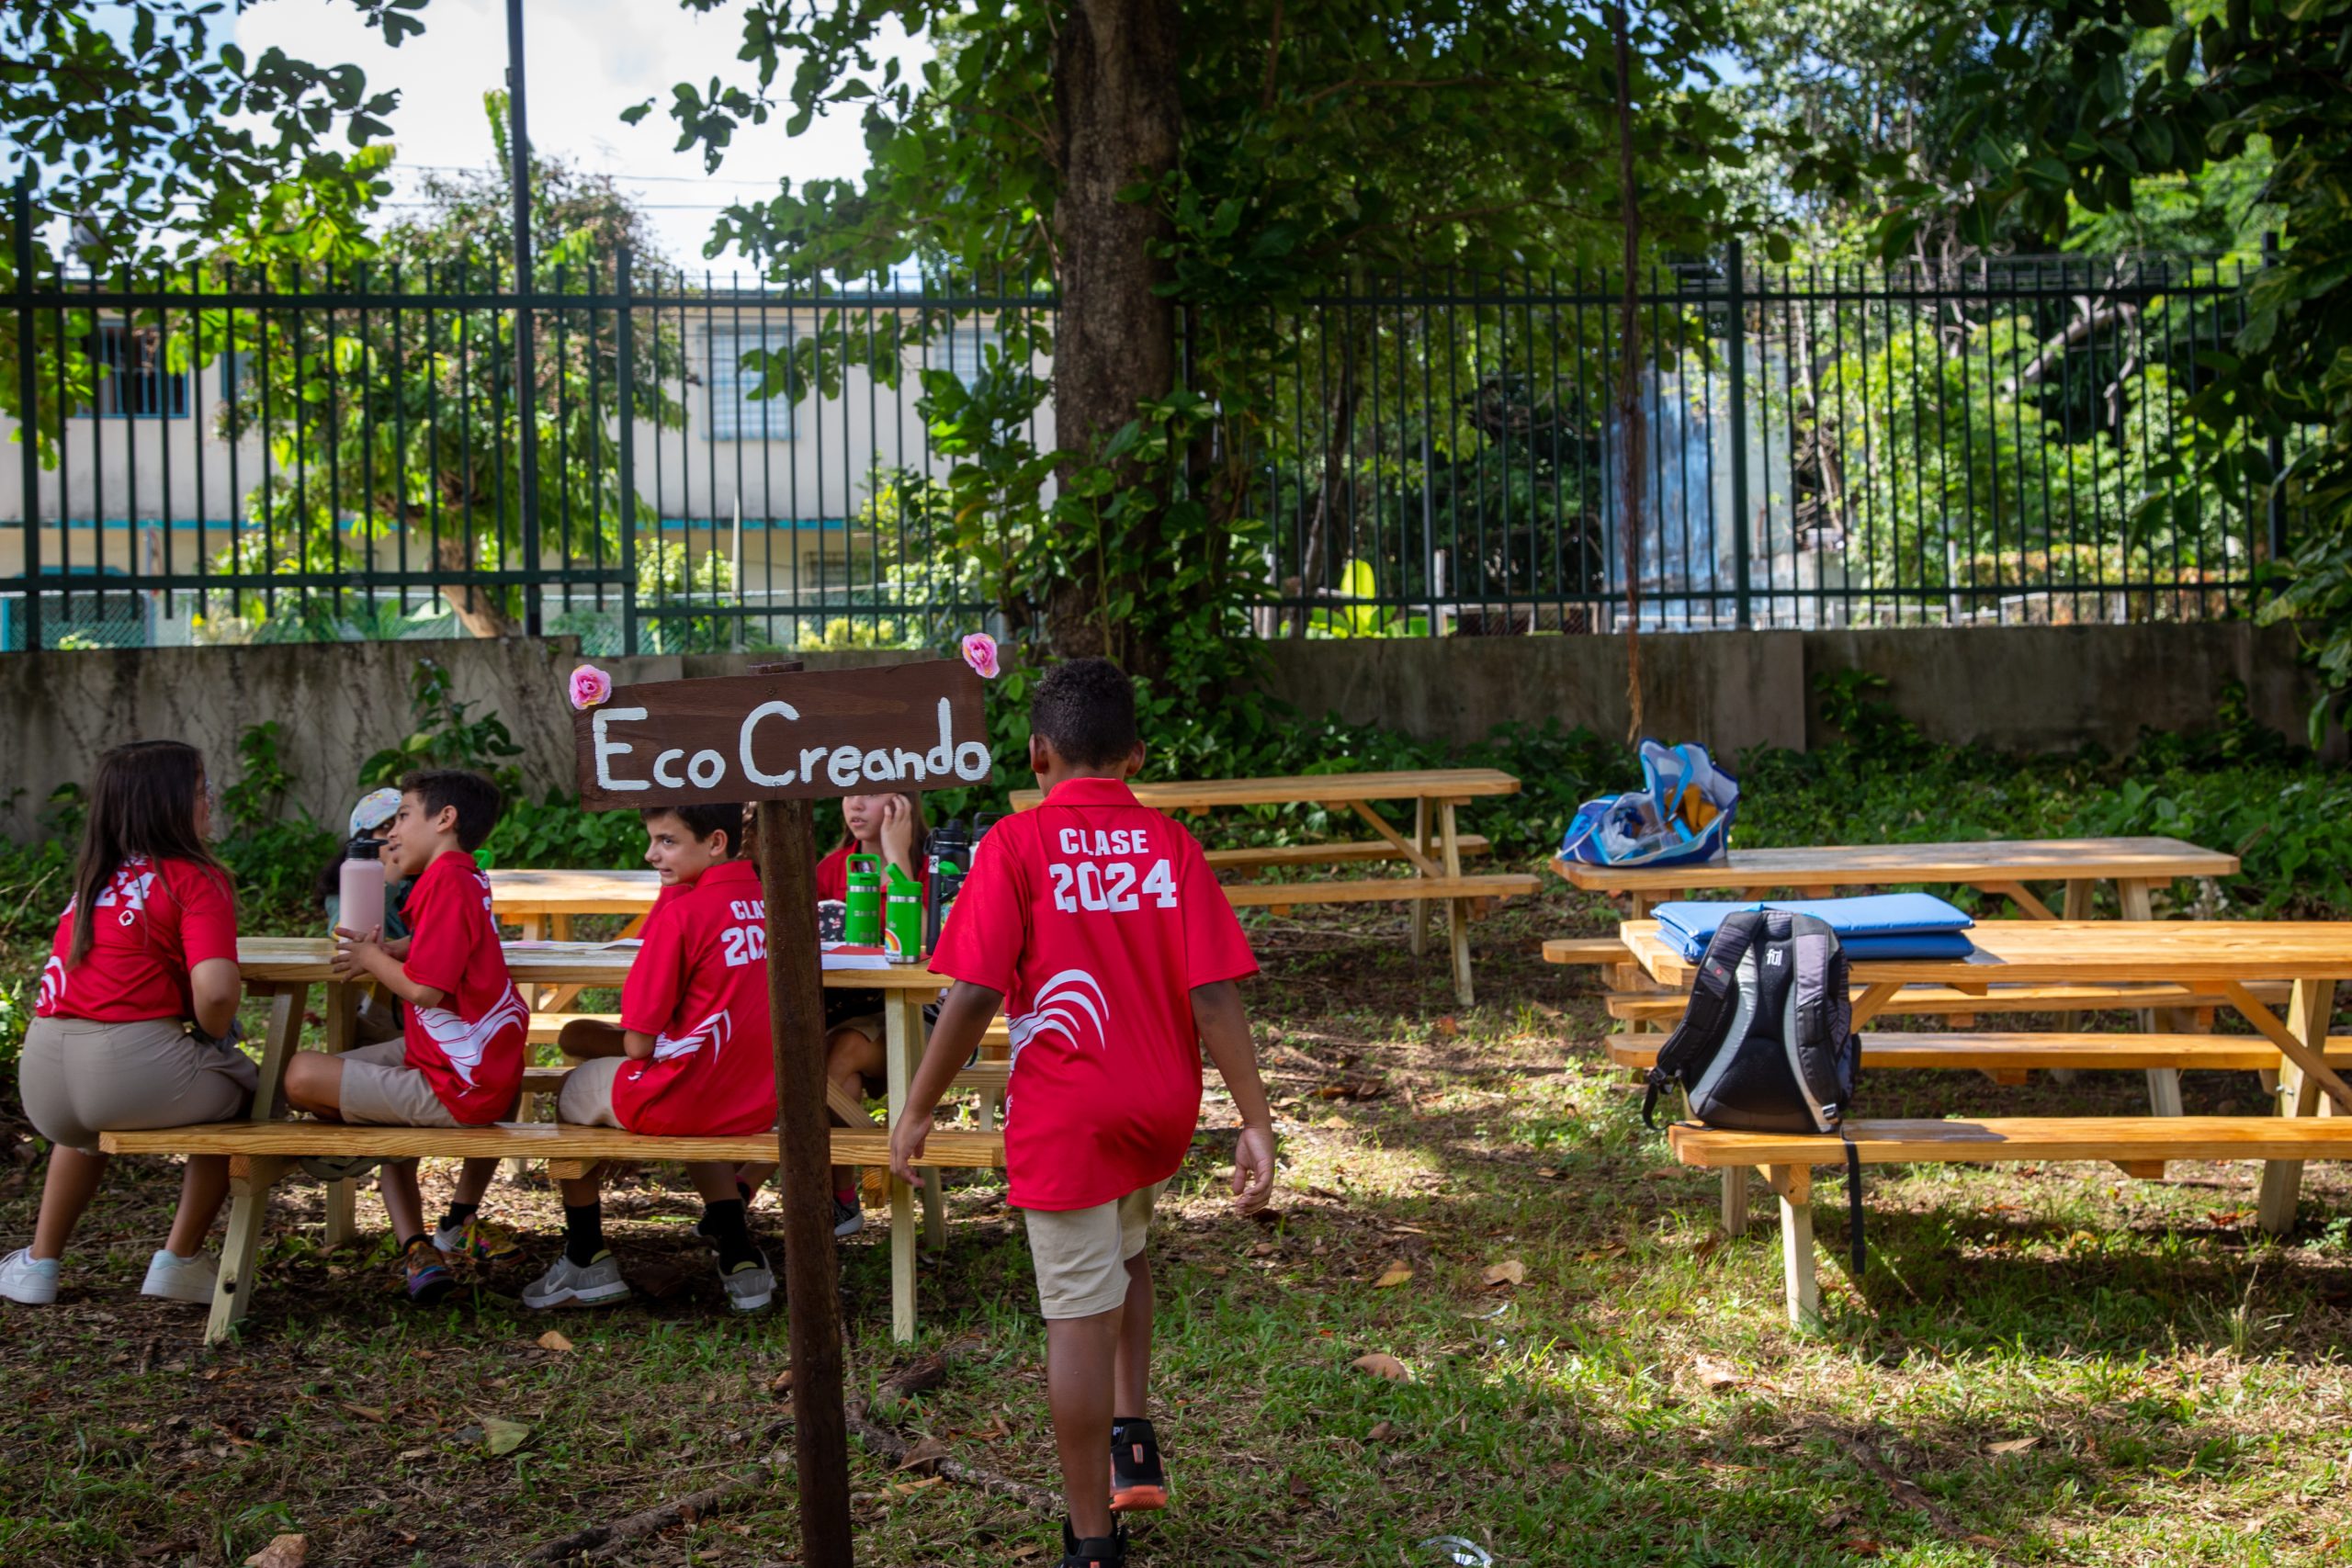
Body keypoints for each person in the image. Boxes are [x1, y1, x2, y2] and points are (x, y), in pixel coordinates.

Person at [889, 659, 1278, 1568]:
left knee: (1074, 1313)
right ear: (1135, 756)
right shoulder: (1170, 846)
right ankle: (1130, 1429)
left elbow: (975, 993)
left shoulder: (1015, 848)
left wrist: (915, 1110)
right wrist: (1254, 1120)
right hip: (1159, 1106)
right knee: (1128, 1250)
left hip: (1069, 1112)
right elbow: (1214, 995)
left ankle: (1092, 1540)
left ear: (1037, 755)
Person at [0, 740, 259, 1307]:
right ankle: (180, 1260)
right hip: (127, 1069)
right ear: (169, 805)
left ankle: (39, 1263)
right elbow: (216, 990)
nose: (209, 802)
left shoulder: (95, 876)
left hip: (44, 1078)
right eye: (200, 791)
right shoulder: (195, 877)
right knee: (245, 1099)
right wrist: (213, 1035)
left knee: (90, 1129)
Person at [282, 769, 528, 1305]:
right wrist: (400, 947)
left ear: (445, 820)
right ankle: (425, 1234)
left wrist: (372, 957)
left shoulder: (447, 883)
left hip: (459, 1081)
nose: (391, 832)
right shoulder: (462, 878)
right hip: (462, 1060)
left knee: (298, 1076)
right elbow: (446, 947)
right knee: (312, 1075)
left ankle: (410, 1231)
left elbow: (425, 993)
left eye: (403, 816)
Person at [525, 802, 777, 1313]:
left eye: (667, 841)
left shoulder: (685, 914)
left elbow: (640, 1043)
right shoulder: (778, 903)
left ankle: (585, 1256)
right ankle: (738, 1251)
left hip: (684, 1101)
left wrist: (593, 1042)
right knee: (679, 1070)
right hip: (758, 1100)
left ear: (716, 843)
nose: (650, 853)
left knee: (573, 1092)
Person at [740, 791, 932, 1235]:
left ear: (902, 798)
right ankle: (841, 1199)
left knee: (840, 1050)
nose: (855, 805)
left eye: (870, 792)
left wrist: (897, 857)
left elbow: (929, 947)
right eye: (849, 792)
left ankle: (746, 1182)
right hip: (843, 1011)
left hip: (919, 1019)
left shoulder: (932, 862)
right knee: (836, 1067)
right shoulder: (832, 867)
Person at [316, 787, 411, 1044]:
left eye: (404, 822)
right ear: (363, 841)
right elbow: (345, 930)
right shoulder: (344, 884)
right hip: (374, 1006)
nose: (395, 835)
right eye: (385, 828)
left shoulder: (425, 880)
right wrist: (389, 878)